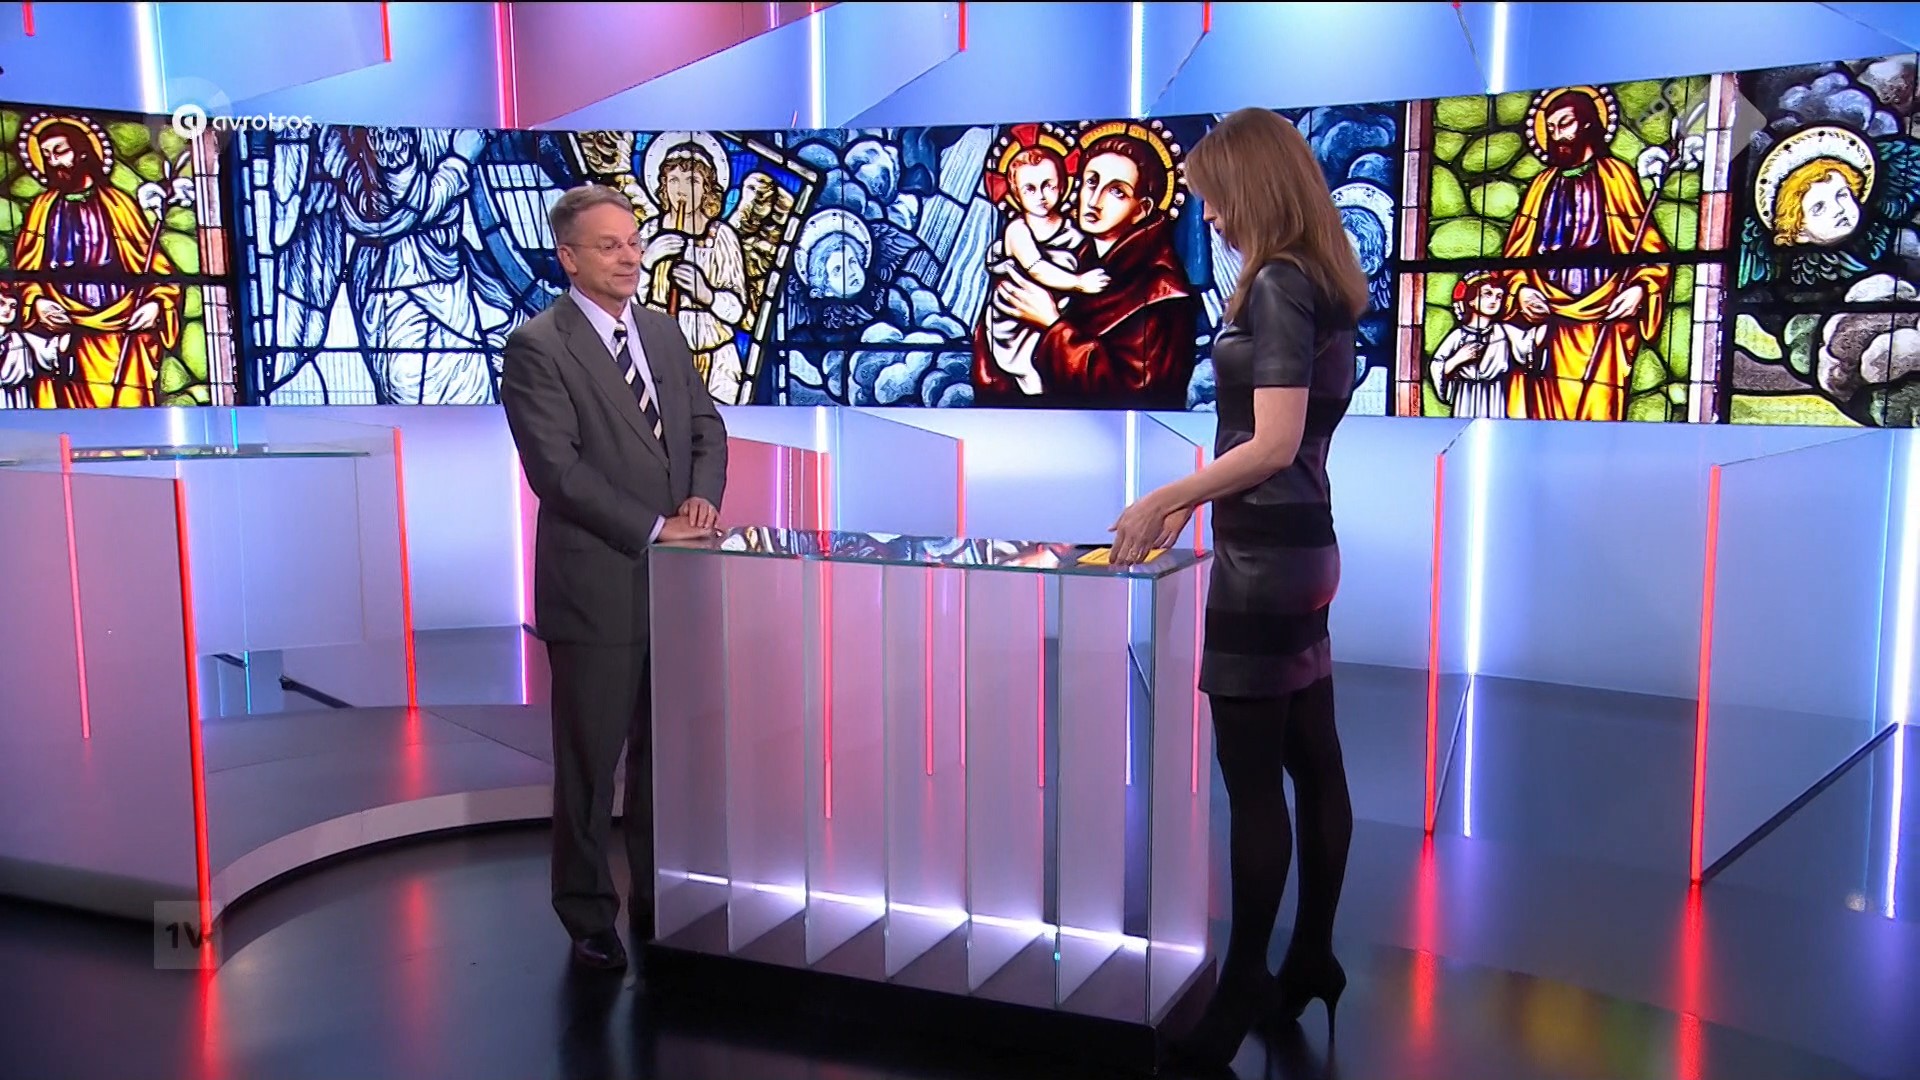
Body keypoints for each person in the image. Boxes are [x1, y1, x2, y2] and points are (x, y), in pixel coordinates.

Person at [1108, 108, 1368, 1070]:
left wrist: (1164, 497)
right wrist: (1196, 501)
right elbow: (1284, 445)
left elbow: (1271, 442)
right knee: (1315, 759)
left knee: (1256, 782)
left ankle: (1244, 984)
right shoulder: (1323, 279)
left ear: (1253, 186)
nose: (1210, 216)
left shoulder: (1279, 284)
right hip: (1303, 547)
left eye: (1216, 197)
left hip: (1264, 565)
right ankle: (1310, 958)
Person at [500, 184, 729, 972]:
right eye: (610, 246)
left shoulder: (661, 332)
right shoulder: (539, 347)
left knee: (666, 759)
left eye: (633, 242)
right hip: (596, 587)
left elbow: (706, 428)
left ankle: (660, 897)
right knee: (592, 766)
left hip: (676, 587)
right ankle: (587, 912)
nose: (630, 257)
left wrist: (701, 497)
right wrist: (656, 526)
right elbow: (557, 472)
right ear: (569, 257)